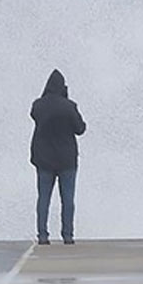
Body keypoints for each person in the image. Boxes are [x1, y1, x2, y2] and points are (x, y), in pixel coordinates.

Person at [30, 69, 86, 245]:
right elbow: (80, 128)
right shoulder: (69, 106)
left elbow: (34, 115)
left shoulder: (38, 105)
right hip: (67, 159)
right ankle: (67, 235)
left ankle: (42, 235)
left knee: (44, 198)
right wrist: (66, 100)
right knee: (67, 199)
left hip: (44, 159)